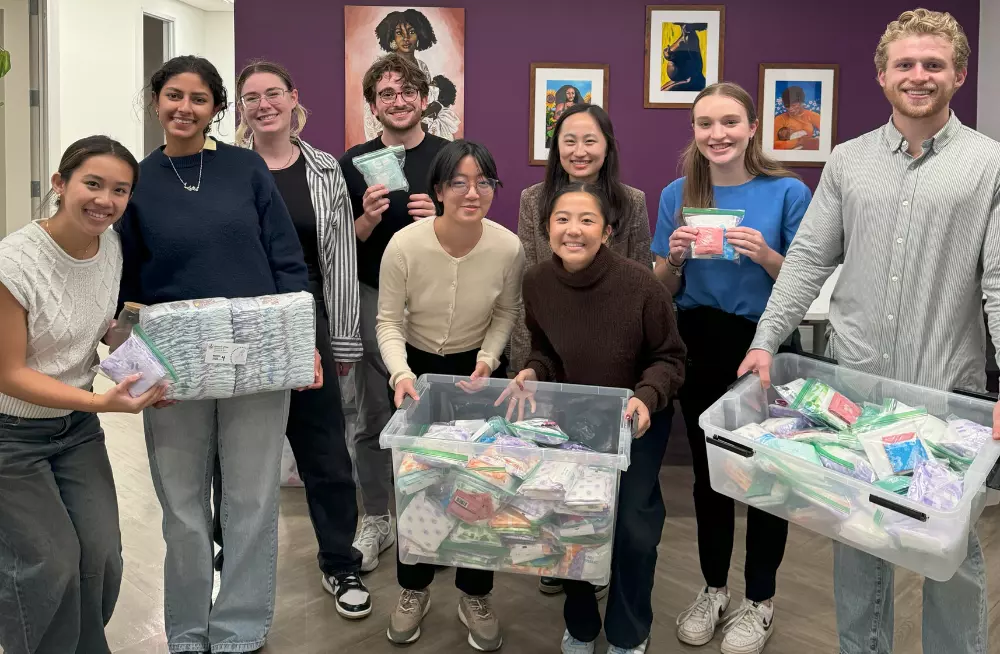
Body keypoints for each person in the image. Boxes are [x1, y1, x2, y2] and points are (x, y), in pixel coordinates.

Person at [737, 9, 1000, 654]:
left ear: (958, 75)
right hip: (854, 388)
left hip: (945, 390)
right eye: (905, 64)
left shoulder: (989, 164)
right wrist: (764, 341)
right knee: (856, 534)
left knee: (949, 550)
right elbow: (807, 260)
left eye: (933, 64)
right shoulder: (849, 162)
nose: (919, 75)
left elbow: (999, 280)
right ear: (882, 76)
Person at [116, 55, 317, 654]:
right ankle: (186, 628)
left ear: (215, 108)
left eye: (198, 99)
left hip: (257, 351)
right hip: (171, 360)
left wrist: (300, 342)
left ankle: (238, 629)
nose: (184, 108)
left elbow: (286, 258)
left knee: (253, 499)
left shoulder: (245, 167)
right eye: (173, 96)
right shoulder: (136, 179)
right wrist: (127, 367)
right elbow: (120, 283)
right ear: (155, 101)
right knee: (181, 505)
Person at [651, 81, 811, 654]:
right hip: (698, 340)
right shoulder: (677, 192)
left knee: (768, 475)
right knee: (710, 473)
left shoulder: (788, 191)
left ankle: (759, 601)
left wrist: (765, 254)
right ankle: (713, 588)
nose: (716, 134)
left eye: (728, 122)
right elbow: (662, 288)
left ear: (750, 129)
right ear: (693, 131)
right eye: (704, 124)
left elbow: (805, 284)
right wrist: (672, 258)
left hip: (763, 343)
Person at [503, 182, 685, 654]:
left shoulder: (641, 285)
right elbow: (547, 350)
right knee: (570, 521)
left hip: (633, 422)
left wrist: (646, 396)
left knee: (632, 531)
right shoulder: (537, 282)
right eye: (562, 219)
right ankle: (581, 624)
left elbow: (670, 358)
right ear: (547, 228)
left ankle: (628, 632)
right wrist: (532, 370)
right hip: (572, 421)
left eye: (587, 220)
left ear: (607, 230)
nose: (573, 230)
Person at [0, 136, 165, 654]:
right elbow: (7, 373)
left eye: (120, 190)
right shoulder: (14, 264)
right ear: (60, 184)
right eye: (92, 184)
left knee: (101, 557)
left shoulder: (110, 246)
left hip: (74, 430)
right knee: (49, 565)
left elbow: (94, 331)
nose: (105, 200)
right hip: (12, 435)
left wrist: (141, 363)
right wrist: (100, 402)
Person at [234, 60, 371, 619]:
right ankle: (234, 570)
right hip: (239, 321)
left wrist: (341, 340)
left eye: (273, 93)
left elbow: (338, 259)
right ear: (240, 108)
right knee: (239, 455)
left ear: (294, 98)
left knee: (325, 450)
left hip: (306, 315)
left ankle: (339, 562)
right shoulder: (225, 168)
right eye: (250, 97)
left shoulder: (322, 169)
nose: (263, 104)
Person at [378, 139, 524, 650]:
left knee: (478, 483)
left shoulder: (508, 246)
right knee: (416, 482)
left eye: (483, 182)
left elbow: (505, 312)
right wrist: (400, 374)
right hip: (414, 372)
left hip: (478, 372)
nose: (472, 192)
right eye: (459, 182)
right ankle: (413, 588)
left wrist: (488, 359)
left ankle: (474, 591)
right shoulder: (405, 244)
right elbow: (388, 321)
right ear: (438, 190)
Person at [511, 101, 654, 597]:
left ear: (607, 147)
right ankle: (559, 552)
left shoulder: (630, 200)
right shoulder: (534, 198)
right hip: (549, 343)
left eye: (590, 140)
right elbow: (538, 274)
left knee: (608, 467)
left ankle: (603, 550)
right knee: (553, 462)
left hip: (616, 348)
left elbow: (637, 274)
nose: (579, 150)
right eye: (568, 140)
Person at [341, 53, 449, 573]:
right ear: (372, 105)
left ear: (424, 99)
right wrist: (364, 220)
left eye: (408, 91)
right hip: (370, 293)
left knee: (436, 415)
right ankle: (377, 517)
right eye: (386, 93)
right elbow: (337, 247)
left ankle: (436, 516)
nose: (398, 100)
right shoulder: (350, 162)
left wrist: (443, 218)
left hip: (436, 300)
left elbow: (474, 231)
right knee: (371, 415)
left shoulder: (451, 158)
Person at [364, 8, 460, 140]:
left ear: (420, 35)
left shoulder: (422, 67)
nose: (406, 38)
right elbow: (372, 112)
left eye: (411, 32)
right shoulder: (382, 68)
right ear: (391, 38)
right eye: (399, 33)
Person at [773, 85, 821, 150]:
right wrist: (799, 141)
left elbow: (826, 135)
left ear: (801, 102)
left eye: (793, 105)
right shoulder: (780, 119)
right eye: (787, 106)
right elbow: (773, 144)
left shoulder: (812, 115)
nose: (790, 109)